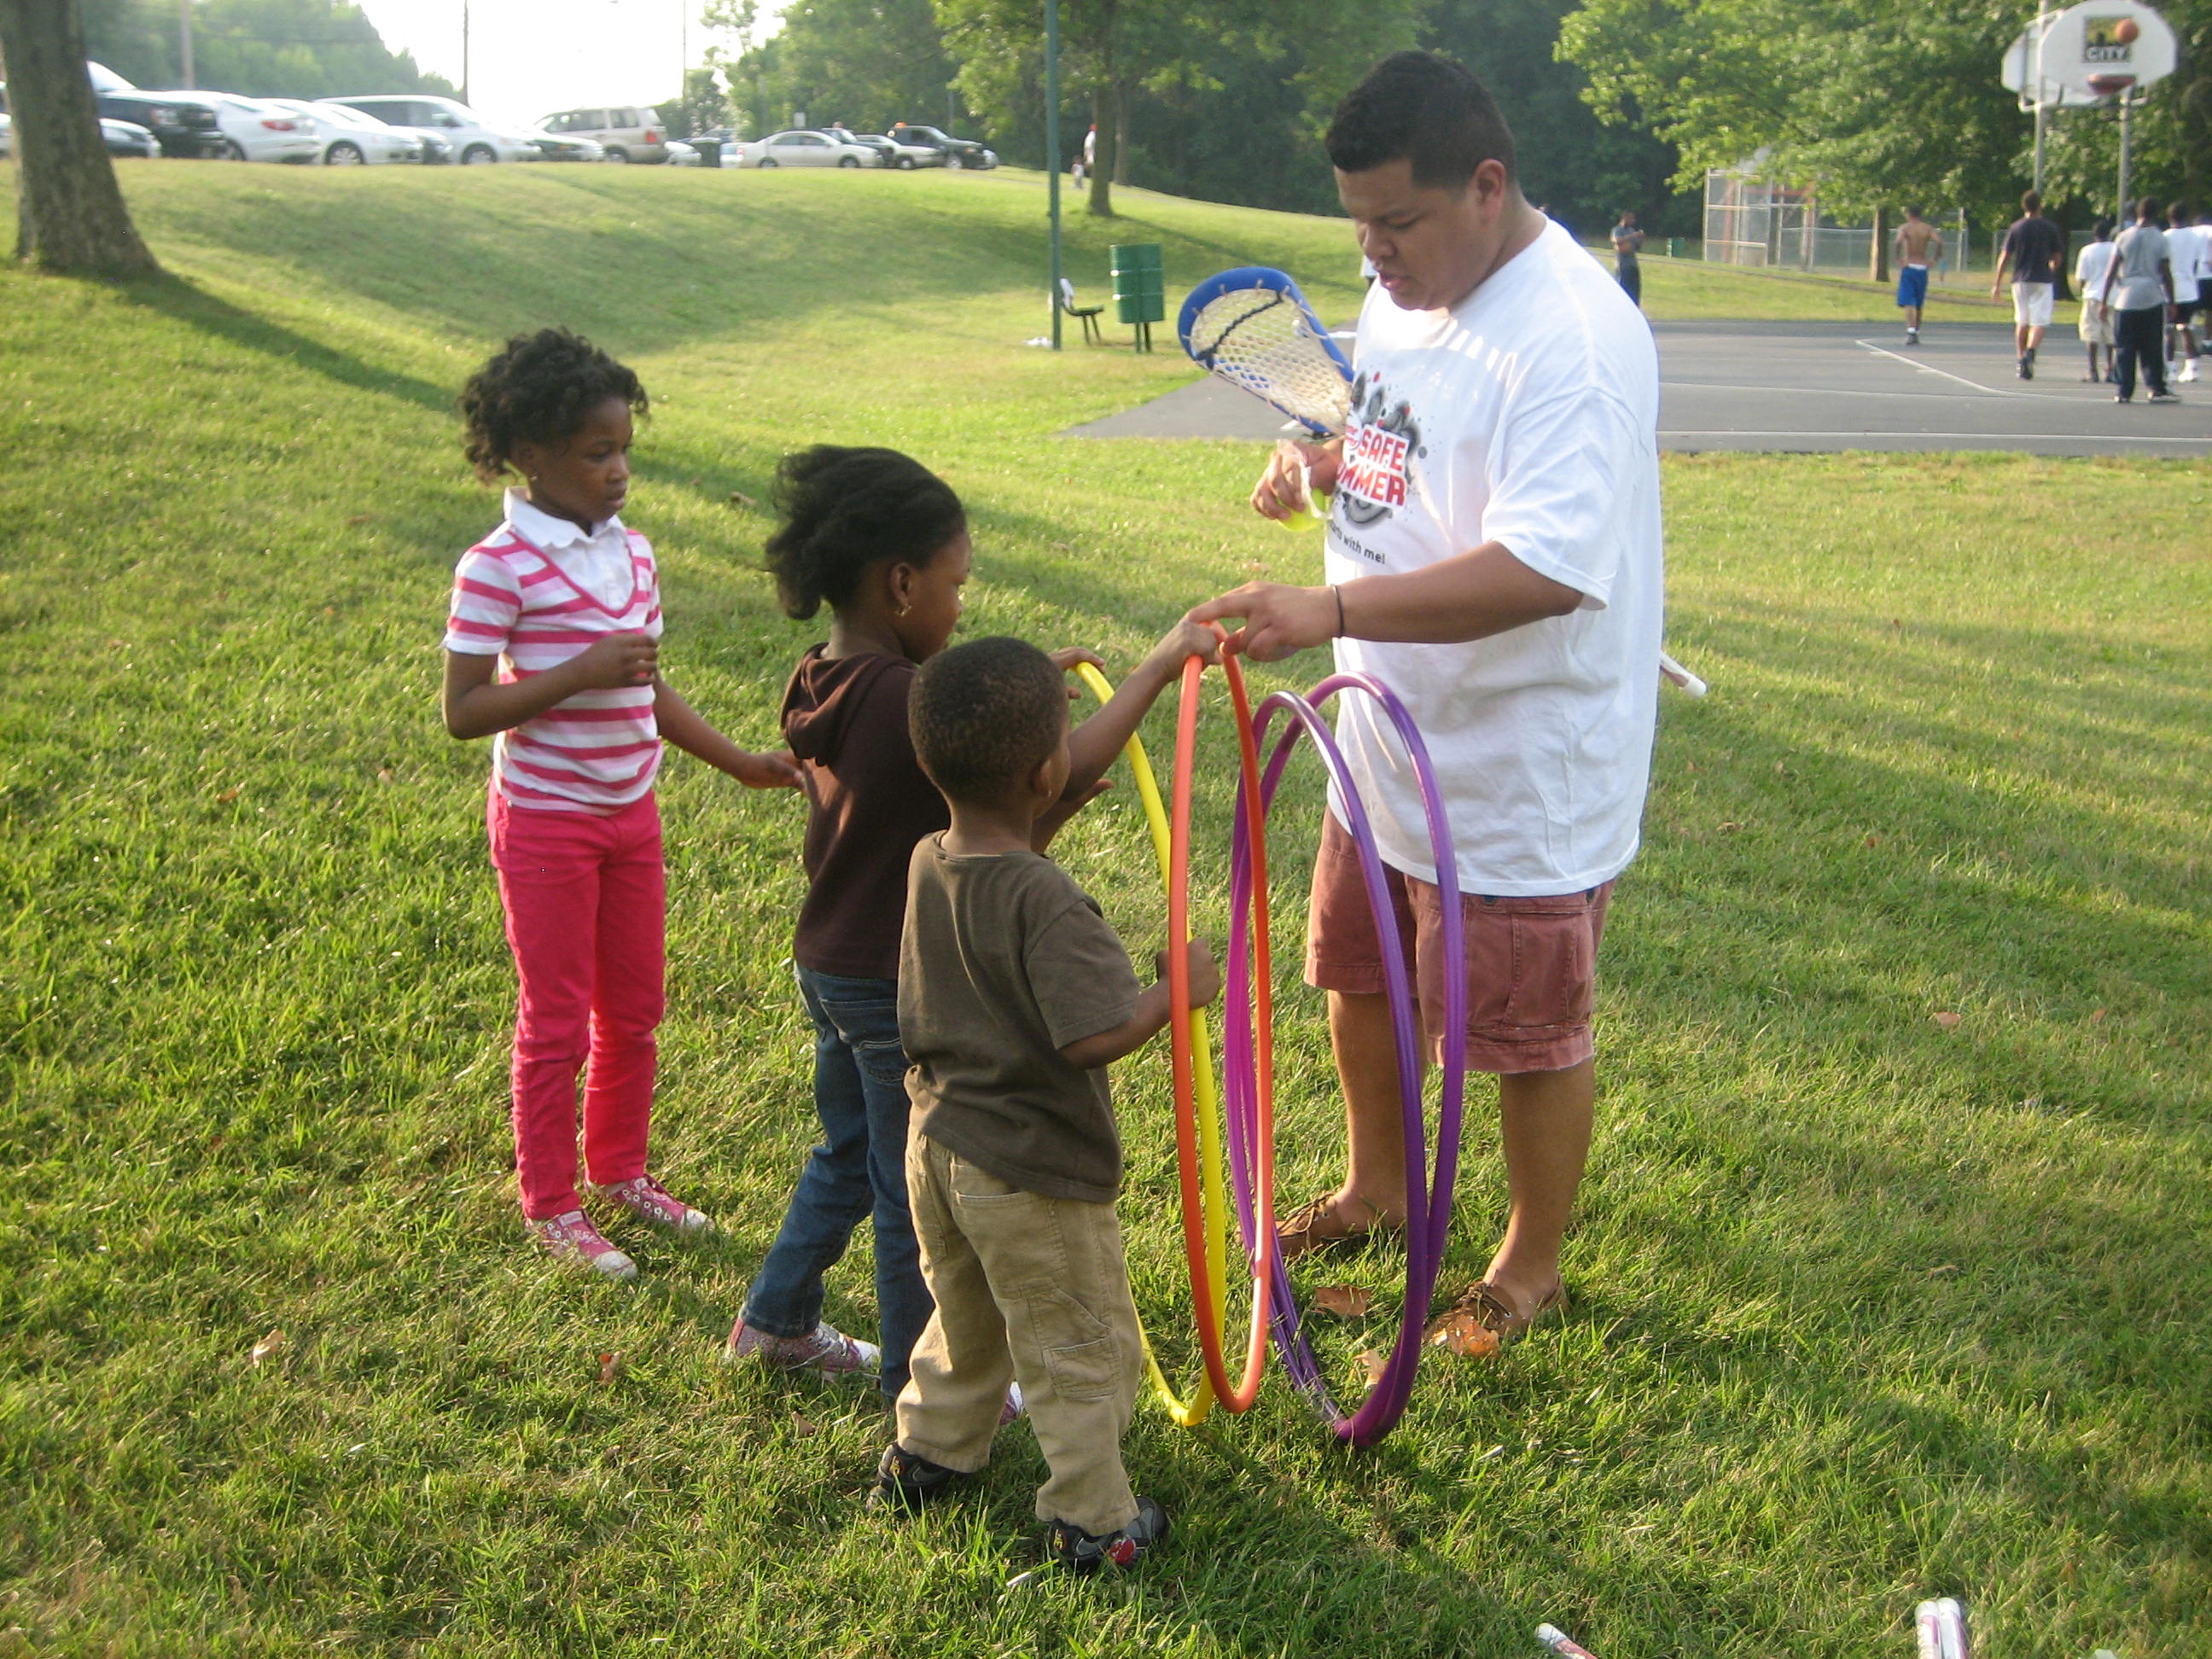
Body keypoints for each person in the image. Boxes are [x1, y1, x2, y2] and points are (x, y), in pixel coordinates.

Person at [1188, 51, 1662, 1351]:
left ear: (1487, 187)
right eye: (1358, 225)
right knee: (1358, 972)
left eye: (1396, 222)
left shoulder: (1572, 339)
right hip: (1380, 730)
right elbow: (1401, 438)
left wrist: (1327, 611)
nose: (1374, 254)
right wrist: (1326, 462)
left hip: (1517, 764)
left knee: (1521, 1033)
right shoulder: (1408, 286)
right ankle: (1380, 1188)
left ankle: (1528, 1265)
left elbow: (1548, 570)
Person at [726, 446, 1220, 1404]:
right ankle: (925, 1398)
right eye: (956, 586)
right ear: (901, 584)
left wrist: (1017, 684)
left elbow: (971, 789)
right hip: (887, 981)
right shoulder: (900, 702)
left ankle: (775, 1320)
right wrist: (1155, 669)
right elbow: (1055, 776)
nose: (961, 605)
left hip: (828, 960)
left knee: (846, 1150)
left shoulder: (827, 678)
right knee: (908, 1189)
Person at [442, 328, 801, 1279]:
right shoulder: (497, 568)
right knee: (557, 1016)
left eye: (623, 449)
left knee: (636, 1009)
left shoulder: (633, 554)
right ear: (530, 455)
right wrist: (576, 673)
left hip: (630, 814)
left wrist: (738, 762)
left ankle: (620, 1172)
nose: (619, 471)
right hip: (548, 822)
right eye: (597, 453)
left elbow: (646, 686)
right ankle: (551, 1202)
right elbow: (465, 710)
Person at [869, 636, 1223, 1573]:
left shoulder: (929, 859)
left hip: (939, 1148)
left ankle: (927, 1453)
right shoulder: (1049, 900)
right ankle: (1094, 1518)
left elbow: (998, 906)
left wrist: (1145, 676)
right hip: (1030, 1172)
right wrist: (1175, 992)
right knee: (1078, 1346)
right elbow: (1088, 1034)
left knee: (969, 1316)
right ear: (1045, 772)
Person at [2100, 196, 2179, 405]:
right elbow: (2165, 272)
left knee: (2125, 346)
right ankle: (2155, 387)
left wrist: (2103, 299)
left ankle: (2124, 390)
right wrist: (2172, 300)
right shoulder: (2160, 238)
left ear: (2137, 212)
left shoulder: (2124, 237)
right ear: (2156, 213)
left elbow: (2111, 271)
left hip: (2126, 295)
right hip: (2151, 295)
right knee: (2151, 346)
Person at [1992, 189, 2064, 379]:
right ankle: (2031, 352)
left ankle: (2020, 359)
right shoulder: (2050, 228)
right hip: (2042, 279)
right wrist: (2052, 268)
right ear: (2040, 205)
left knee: (2022, 320)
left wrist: (1997, 283)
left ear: (2023, 206)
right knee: (2039, 321)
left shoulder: (2016, 227)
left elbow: (2005, 256)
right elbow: (2057, 257)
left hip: (2021, 279)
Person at [2074, 217, 2118, 383]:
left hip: (2093, 295)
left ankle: (2092, 370)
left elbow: (2082, 277)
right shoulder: (2116, 248)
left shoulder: (2087, 251)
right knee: (2111, 334)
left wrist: (2083, 289)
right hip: (2113, 295)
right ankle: (2111, 368)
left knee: (2091, 333)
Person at [2164, 201, 2202, 384]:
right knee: (2185, 329)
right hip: (2189, 288)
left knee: (2168, 330)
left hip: (2171, 290)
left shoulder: (2165, 237)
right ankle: (2192, 367)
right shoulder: (2194, 236)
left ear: (2169, 217)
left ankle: (2170, 369)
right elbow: (2195, 263)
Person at [1894, 207, 1942, 346]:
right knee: (1919, 303)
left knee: (1909, 301)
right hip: (1922, 266)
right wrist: (1935, 259)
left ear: (1909, 215)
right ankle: (1917, 331)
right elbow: (1939, 241)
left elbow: (1898, 242)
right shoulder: (1927, 228)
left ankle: (1911, 331)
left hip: (1909, 265)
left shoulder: (1905, 228)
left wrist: (1898, 258)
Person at [1610, 209, 1644, 308]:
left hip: (1633, 264)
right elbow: (1616, 241)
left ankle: (1634, 308)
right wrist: (1632, 236)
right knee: (1623, 289)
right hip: (1623, 265)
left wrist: (1640, 238)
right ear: (1625, 218)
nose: (1632, 221)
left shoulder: (1631, 230)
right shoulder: (1617, 230)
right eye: (1630, 218)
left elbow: (1637, 248)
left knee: (1635, 290)